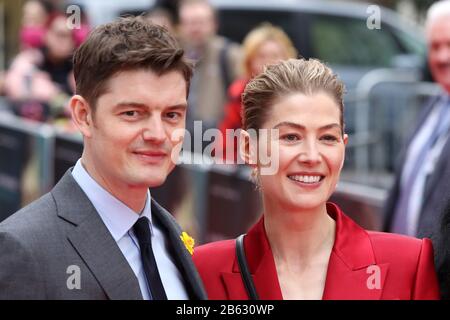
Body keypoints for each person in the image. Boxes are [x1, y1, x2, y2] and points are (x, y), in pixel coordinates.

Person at [193, 58, 440, 300]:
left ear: (343, 148)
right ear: (248, 147)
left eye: (327, 138)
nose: (312, 156)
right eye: (291, 137)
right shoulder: (203, 270)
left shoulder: (408, 263)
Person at [0, 17, 206, 300]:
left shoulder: (170, 234)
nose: (158, 134)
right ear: (83, 116)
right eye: (132, 113)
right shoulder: (24, 247)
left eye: (172, 115)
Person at [383, 0, 450, 275]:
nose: (442, 57)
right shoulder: (431, 106)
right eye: (435, 46)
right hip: (404, 275)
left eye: (449, 44)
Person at [216, 23, 297, 162]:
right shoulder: (239, 93)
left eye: (275, 55)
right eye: (261, 56)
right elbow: (226, 142)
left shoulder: (299, 95)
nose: (269, 63)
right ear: (249, 61)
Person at [178, 0, 241, 139]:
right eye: (189, 23)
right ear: (181, 26)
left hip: (218, 137)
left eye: (200, 22)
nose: (195, 29)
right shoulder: (175, 57)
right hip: (183, 137)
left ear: (214, 24)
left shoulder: (229, 54)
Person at [5, 12, 77, 122]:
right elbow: (14, 89)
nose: (63, 41)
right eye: (59, 34)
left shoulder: (76, 72)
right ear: (47, 35)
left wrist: (55, 96)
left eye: (68, 36)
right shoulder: (29, 60)